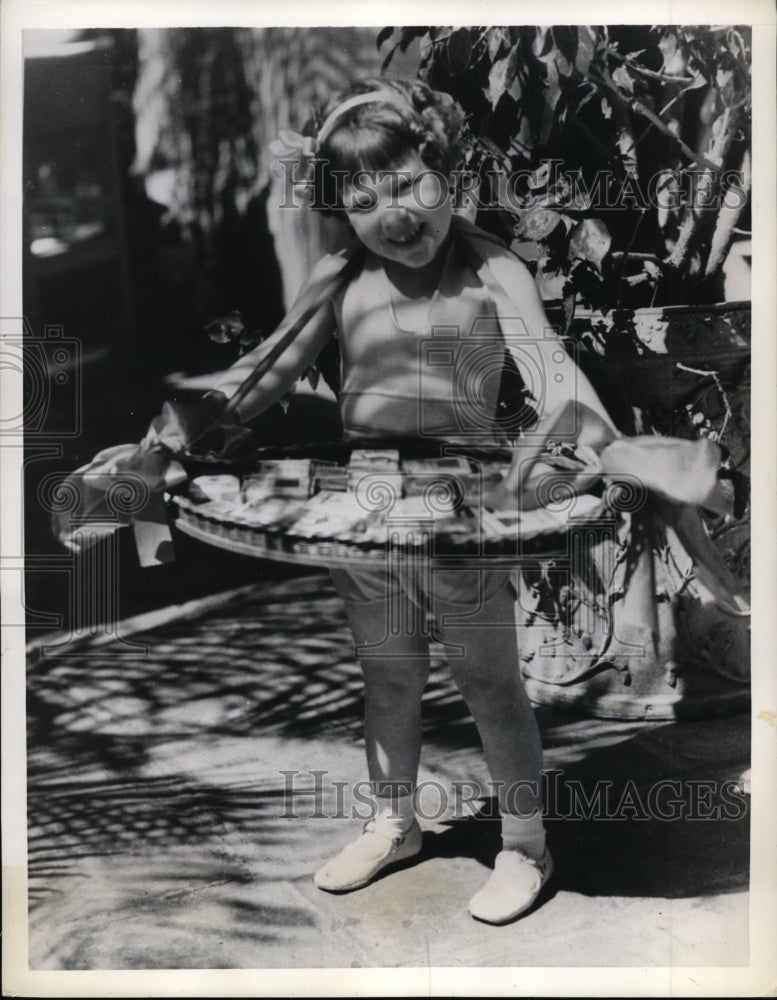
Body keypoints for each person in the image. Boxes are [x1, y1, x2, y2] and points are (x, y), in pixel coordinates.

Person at [154, 77, 618, 924]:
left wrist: (600, 441)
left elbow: (549, 370)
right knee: (388, 673)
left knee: (486, 680)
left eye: (409, 184)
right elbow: (268, 374)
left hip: (463, 500)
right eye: (364, 200)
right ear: (339, 211)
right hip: (365, 496)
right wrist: (175, 437)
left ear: (450, 172)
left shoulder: (489, 267)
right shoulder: (341, 274)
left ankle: (524, 845)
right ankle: (392, 822)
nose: (393, 214)